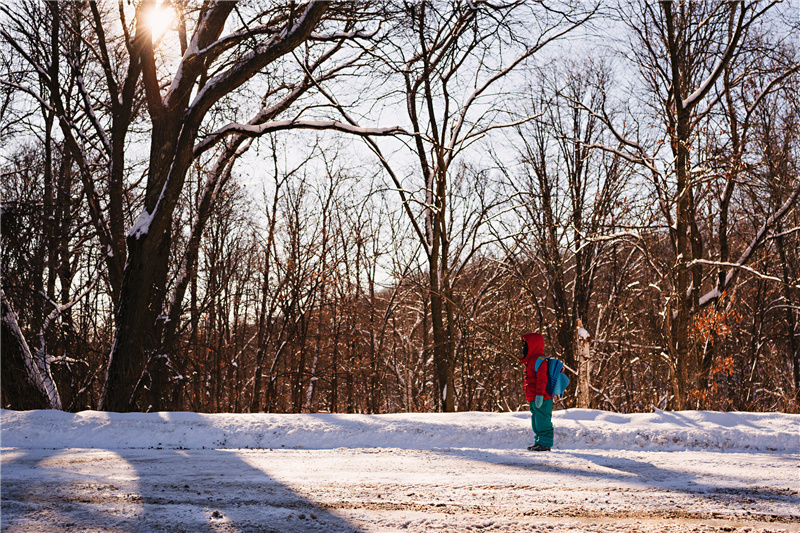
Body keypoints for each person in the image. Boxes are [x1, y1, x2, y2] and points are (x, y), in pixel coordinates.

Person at [520, 332, 553, 451]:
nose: (524, 348)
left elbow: (542, 379)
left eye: (526, 346)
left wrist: (539, 394)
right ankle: (539, 442)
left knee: (543, 420)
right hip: (534, 397)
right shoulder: (531, 361)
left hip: (542, 397)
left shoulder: (540, 360)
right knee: (537, 420)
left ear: (533, 346)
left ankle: (545, 443)